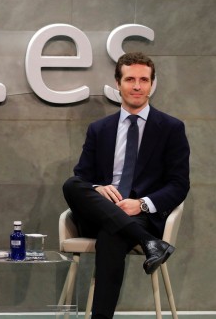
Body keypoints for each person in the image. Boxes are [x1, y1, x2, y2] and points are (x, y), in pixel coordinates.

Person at [62, 52, 190, 318]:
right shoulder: (99, 129)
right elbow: (82, 176)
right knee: (71, 184)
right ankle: (150, 244)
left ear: (152, 84)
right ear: (118, 83)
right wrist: (97, 188)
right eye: (130, 79)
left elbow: (179, 184)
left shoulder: (171, 128)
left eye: (144, 80)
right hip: (100, 211)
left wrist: (142, 204)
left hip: (142, 215)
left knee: (114, 233)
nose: (137, 86)